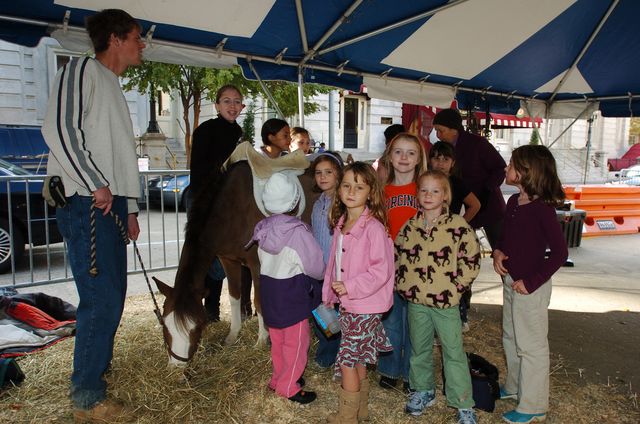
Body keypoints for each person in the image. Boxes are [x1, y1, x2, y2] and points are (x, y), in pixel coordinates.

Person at [41, 9, 144, 422]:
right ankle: (86, 396)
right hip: (87, 201)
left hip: (108, 203)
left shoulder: (113, 85)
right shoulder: (80, 70)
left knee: (113, 298)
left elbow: (120, 157)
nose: (142, 44)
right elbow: (61, 130)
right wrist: (94, 181)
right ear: (116, 38)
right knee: (100, 301)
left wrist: (130, 207)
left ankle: (95, 373)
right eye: (137, 36)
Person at [395, 170, 481, 424]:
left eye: (435, 191)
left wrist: (456, 288)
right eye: (423, 190)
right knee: (419, 349)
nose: (428, 195)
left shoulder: (458, 227)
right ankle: (423, 390)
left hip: (446, 304)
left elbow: (471, 259)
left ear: (445, 196)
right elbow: (397, 254)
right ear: (417, 194)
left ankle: (463, 403)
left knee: (453, 352)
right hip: (416, 302)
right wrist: (403, 284)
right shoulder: (410, 226)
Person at [493, 145, 568, 424]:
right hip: (511, 281)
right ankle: (514, 387)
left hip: (531, 287)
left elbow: (560, 254)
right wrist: (497, 253)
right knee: (511, 337)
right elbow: (505, 237)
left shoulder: (543, 210)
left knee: (531, 345)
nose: (506, 168)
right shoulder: (513, 202)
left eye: (511, 164)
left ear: (527, 172)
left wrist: (532, 282)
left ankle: (534, 404)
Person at [322, 162, 395, 423]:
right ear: (339, 189)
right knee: (360, 357)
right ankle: (360, 410)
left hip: (364, 305)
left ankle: (347, 416)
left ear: (370, 192)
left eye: (359, 187)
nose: (351, 191)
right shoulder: (342, 222)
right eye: (346, 185)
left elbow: (381, 271)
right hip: (350, 304)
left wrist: (350, 286)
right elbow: (334, 264)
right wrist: (329, 295)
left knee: (347, 362)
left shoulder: (373, 228)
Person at [248, 172, 324, 404]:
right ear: (295, 201)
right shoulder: (298, 233)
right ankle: (289, 386)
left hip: (270, 293)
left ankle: (278, 379)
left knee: (279, 342)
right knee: (297, 343)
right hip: (292, 295)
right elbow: (317, 268)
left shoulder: (262, 228)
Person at [188, 84, 252, 322]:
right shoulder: (206, 130)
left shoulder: (240, 133)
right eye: (227, 101)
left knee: (223, 257)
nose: (232, 106)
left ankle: (213, 311)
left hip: (229, 203)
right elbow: (201, 169)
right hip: (206, 201)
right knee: (205, 256)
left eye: (237, 102)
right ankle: (204, 308)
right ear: (216, 105)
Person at [377, 132, 428, 391]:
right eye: (398, 151)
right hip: (388, 267)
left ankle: (411, 374)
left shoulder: (426, 190)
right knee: (391, 320)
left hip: (418, 269)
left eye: (411, 152)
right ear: (389, 156)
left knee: (416, 325)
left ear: (419, 158)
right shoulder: (381, 192)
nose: (404, 157)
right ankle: (389, 369)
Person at [432, 108, 506, 248]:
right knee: (464, 252)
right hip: (465, 207)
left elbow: (500, 168)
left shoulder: (478, 144)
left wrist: (487, 189)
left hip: (490, 206)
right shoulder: (446, 148)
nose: (438, 135)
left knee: (501, 250)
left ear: (454, 129)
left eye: (441, 130)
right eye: (436, 131)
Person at [428, 140, 481, 332]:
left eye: (445, 159)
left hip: (452, 240)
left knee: (456, 275)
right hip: (429, 236)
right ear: (429, 160)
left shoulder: (457, 183)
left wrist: (461, 225)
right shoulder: (426, 181)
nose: (440, 163)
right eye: (436, 158)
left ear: (453, 163)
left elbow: (475, 205)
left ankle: (461, 315)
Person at [310, 151, 344, 369]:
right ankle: (328, 352)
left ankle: (329, 356)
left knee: (335, 314)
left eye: (328, 172)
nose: (322, 177)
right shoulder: (318, 203)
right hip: (319, 270)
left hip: (337, 272)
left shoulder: (342, 204)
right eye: (318, 173)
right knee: (322, 314)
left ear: (339, 174)